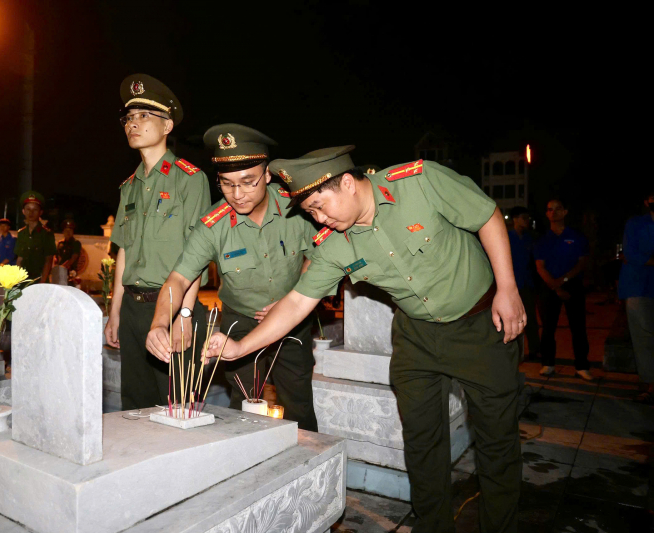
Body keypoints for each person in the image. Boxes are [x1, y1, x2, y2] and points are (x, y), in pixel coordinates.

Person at [200, 147, 526, 533]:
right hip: (415, 335)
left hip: (479, 324)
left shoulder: (420, 182)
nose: (320, 219)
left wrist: (507, 287)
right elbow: (296, 303)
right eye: (311, 214)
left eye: (321, 206)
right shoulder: (335, 244)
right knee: (422, 443)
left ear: (349, 184)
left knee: (497, 440)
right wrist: (239, 347)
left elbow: (486, 215)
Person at [146, 124, 321, 431]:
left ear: (267, 174)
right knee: (244, 407)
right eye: (227, 184)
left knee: (299, 403)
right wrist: (160, 323)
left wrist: (292, 299)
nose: (237, 195)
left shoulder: (296, 206)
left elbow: (317, 257)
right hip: (240, 322)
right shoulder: (213, 224)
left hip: (294, 319)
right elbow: (178, 279)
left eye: (248, 182)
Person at [104, 74, 211, 410]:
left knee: (175, 405)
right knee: (134, 406)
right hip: (133, 310)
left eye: (144, 117)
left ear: (167, 126)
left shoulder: (190, 181)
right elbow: (123, 252)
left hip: (172, 307)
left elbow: (198, 255)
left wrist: (185, 314)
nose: (133, 124)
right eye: (129, 118)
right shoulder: (128, 187)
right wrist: (115, 312)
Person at [534, 199, 591, 380]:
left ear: (565, 212)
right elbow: (540, 266)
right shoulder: (542, 240)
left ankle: (582, 366)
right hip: (549, 285)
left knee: (578, 327)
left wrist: (564, 280)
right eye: (550, 209)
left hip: (572, 284)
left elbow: (582, 263)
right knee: (548, 328)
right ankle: (548, 364)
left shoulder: (576, 237)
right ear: (547, 213)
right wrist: (556, 286)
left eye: (558, 209)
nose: (554, 212)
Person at [618, 191, 654, 404]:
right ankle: (648, 383)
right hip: (638, 288)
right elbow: (631, 254)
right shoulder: (635, 224)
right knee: (643, 338)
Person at [508, 206, 540, 360]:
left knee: (530, 318)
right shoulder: (507, 237)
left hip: (527, 284)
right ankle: (514, 353)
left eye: (527, 218)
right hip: (510, 285)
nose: (526, 221)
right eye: (523, 218)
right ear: (515, 219)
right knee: (511, 319)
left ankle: (534, 350)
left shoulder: (531, 238)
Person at [15, 191, 56, 283]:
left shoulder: (47, 233)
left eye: (35, 209)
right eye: (28, 209)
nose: (31, 212)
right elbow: (19, 259)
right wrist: (16, 280)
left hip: (39, 280)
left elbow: (48, 261)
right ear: (23, 211)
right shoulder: (21, 233)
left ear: (40, 212)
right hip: (23, 280)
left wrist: (42, 282)